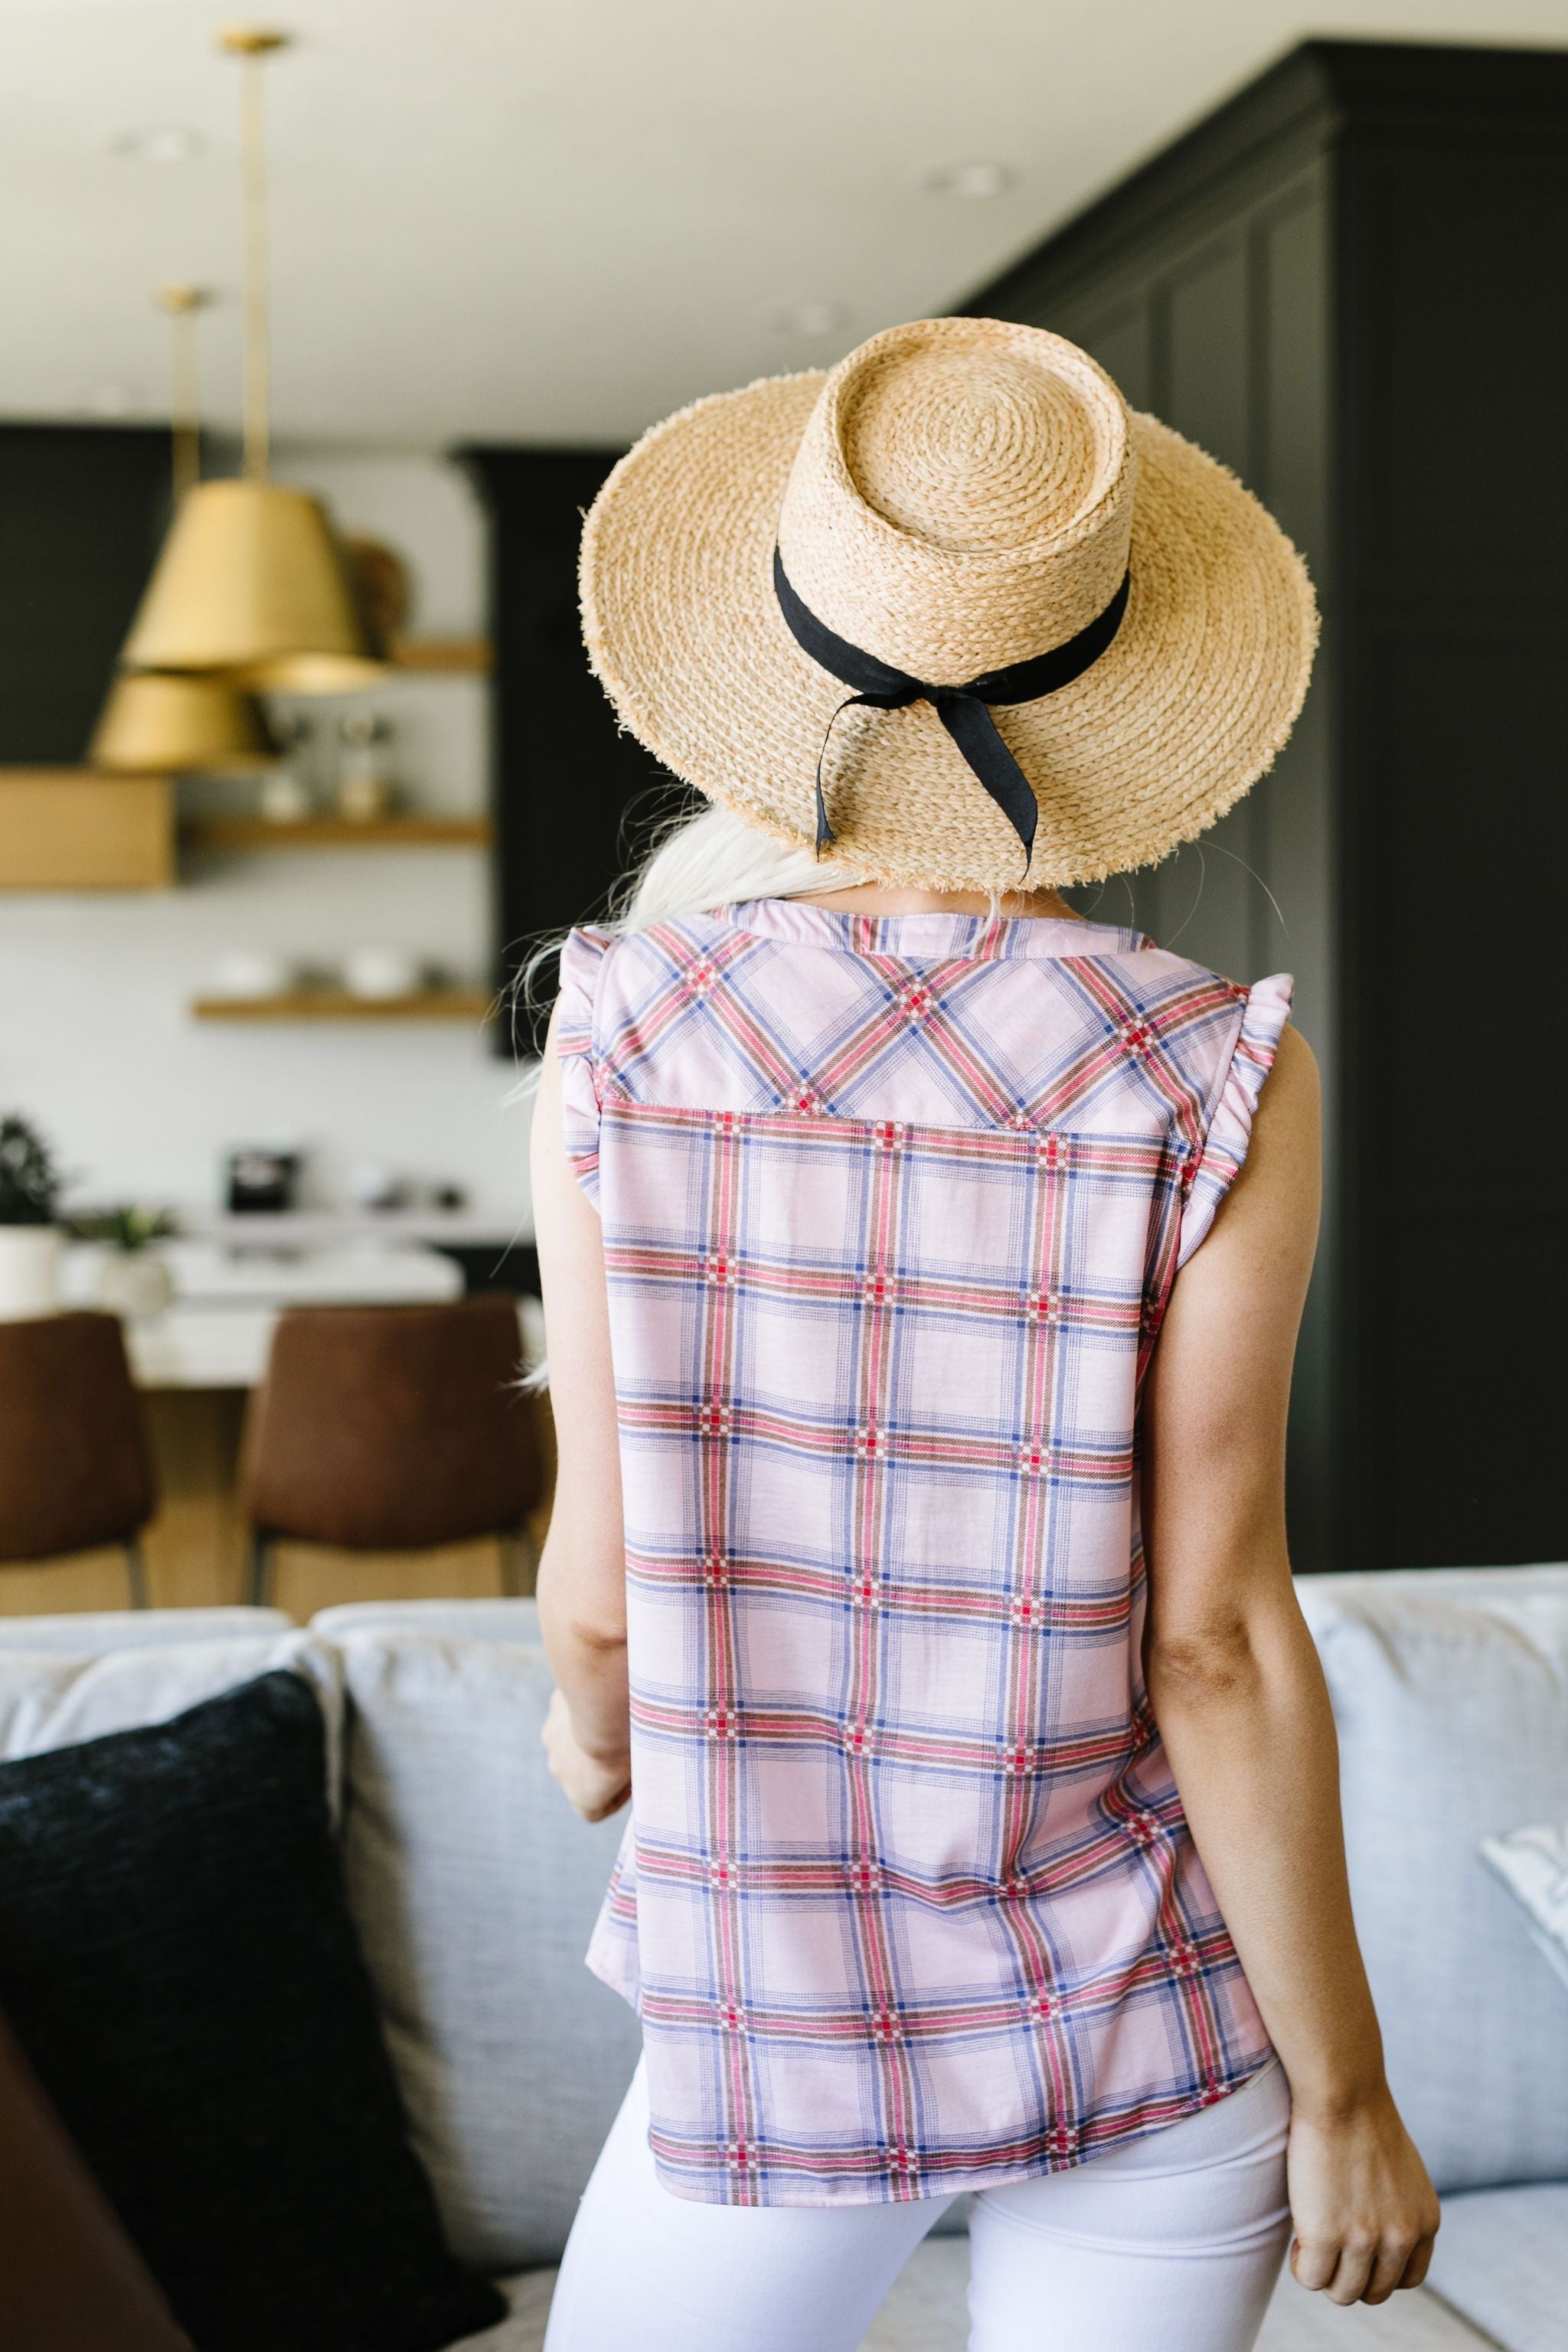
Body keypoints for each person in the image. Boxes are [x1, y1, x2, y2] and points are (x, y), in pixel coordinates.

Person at [529, 316, 1439, 2352]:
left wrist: (596, 1726)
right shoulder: (1215, 1065)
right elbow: (1213, 1639)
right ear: (1114, 684)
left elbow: (597, 1608)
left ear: (784, 666)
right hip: (1139, 2007)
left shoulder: (628, 1026)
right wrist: (1351, 2092)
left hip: (779, 2022)